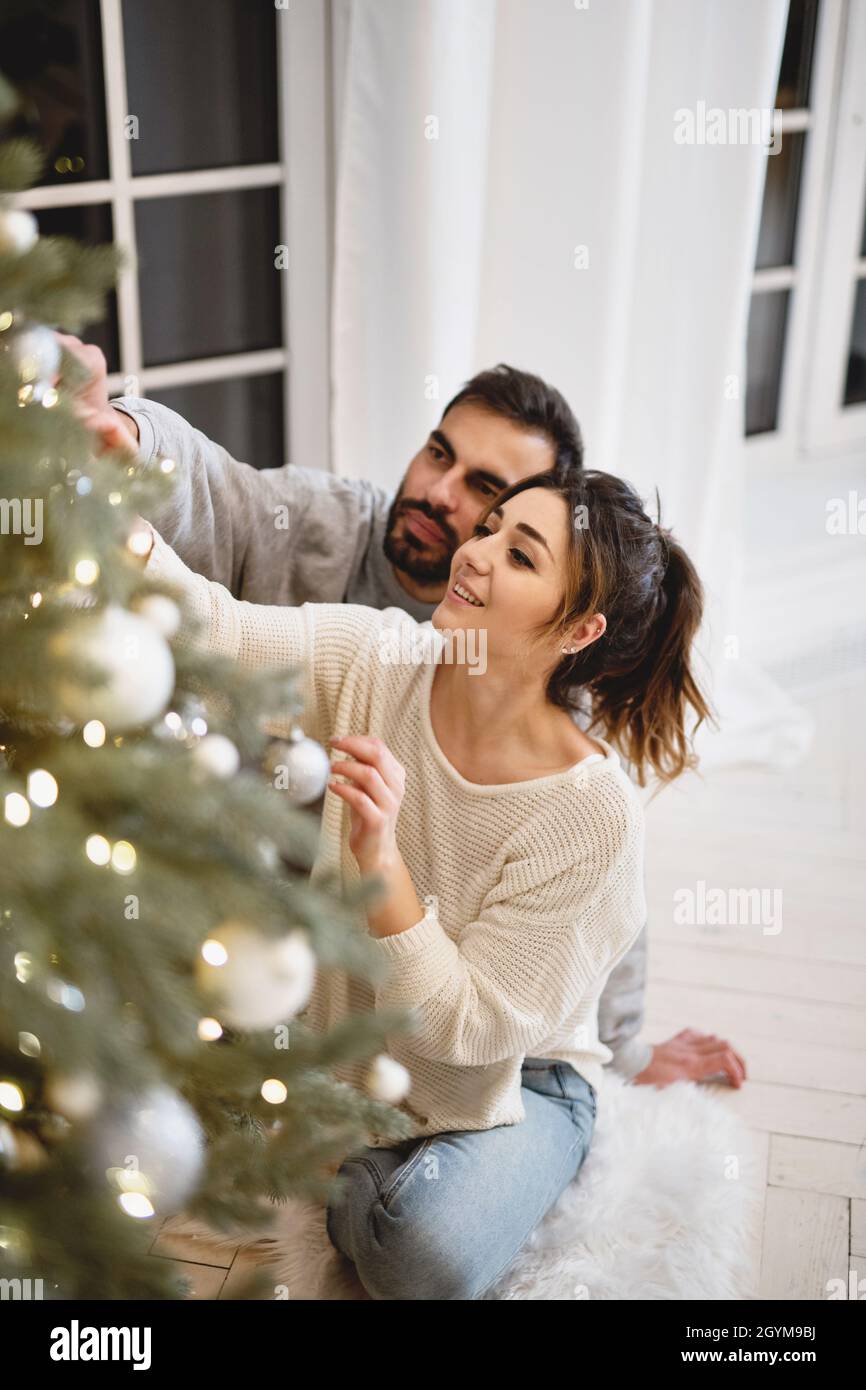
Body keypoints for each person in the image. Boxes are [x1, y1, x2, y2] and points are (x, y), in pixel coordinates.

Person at [62, 335, 747, 1096]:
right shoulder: (341, 547)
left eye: (488, 495)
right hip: (248, 919)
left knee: (413, 1215)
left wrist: (618, 1050)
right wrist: (122, 440)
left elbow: (589, 900)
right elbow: (218, 500)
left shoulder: (554, 712)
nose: (440, 495)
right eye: (438, 454)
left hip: (405, 1007)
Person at [129, 461, 713, 1300]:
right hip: (375, 1054)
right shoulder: (383, 658)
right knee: (388, 1216)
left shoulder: (593, 816)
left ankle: (392, 1181)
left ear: (579, 631)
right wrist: (122, 528)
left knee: (416, 1250)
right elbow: (225, 632)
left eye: (520, 555)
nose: (475, 552)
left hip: (522, 1079)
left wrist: (384, 861)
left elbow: (473, 1029)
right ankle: (376, 1171)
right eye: (489, 529)